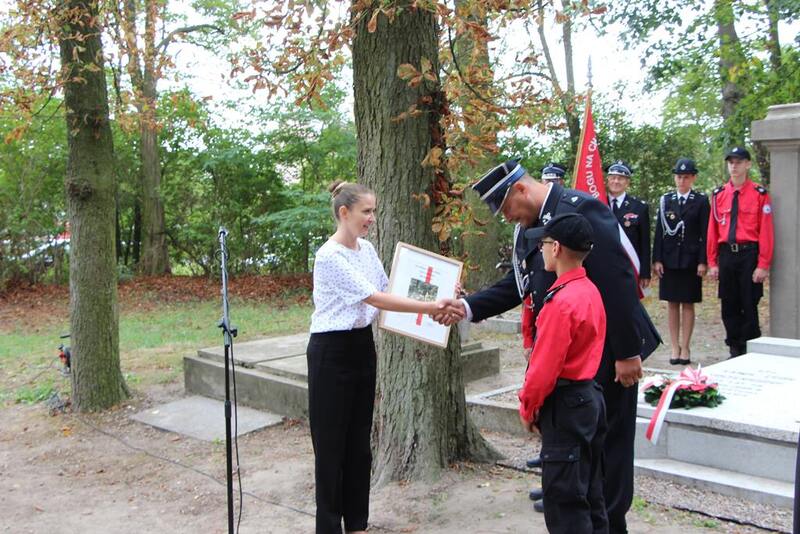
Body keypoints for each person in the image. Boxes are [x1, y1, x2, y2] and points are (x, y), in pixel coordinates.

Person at [436, 159, 660, 534]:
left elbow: (620, 278)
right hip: (569, 357)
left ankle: (612, 524)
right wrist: (468, 306)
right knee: (578, 465)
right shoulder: (530, 230)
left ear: (521, 190)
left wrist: (626, 351)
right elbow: (518, 284)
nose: (506, 218)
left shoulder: (581, 210)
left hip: (607, 354)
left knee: (610, 454)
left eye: (506, 208)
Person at [307, 180, 462, 534]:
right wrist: (431, 306)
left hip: (362, 347)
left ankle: (357, 526)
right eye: (366, 212)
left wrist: (443, 292)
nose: (372, 218)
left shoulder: (367, 250)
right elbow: (375, 299)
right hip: (330, 354)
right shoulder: (328, 256)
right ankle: (329, 528)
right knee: (331, 449)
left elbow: (392, 289)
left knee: (359, 444)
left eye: (374, 211)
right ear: (344, 213)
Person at [519, 213, 608, 534]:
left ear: (556, 248)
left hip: (567, 404)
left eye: (543, 244)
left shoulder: (560, 302)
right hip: (590, 399)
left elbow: (543, 369)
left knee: (565, 502)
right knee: (591, 493)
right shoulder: (590, 290)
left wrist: (528, 407)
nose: (540, 250)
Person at [706, 147, 774, 358]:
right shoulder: (719, 195)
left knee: (749, 303)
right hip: (727, 254)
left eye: (739, 162)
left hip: (749, 254)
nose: (734, 166)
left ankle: (750, 348)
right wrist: (713, 261)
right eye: (731, 162)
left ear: (748, 164)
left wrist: (763, 264)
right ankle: (735, 348)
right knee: (729, 303)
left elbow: (766, 230)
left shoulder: (759, 194)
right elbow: (713, 229)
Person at [653, 158, 710, 365]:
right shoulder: (666, 200)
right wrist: (657, 258)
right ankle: (674, 346)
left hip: (691, 260)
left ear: (693, 178)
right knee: (671, 303)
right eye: (679, 176)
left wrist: (703, 261)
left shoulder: (701, 201)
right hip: (669, 259)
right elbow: (660, 231)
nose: (682, 180)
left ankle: (685, 346)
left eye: (686, 177)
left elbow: (705, 233)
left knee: (688, 303)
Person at [606, 160, 652, 290]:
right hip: (603, 266)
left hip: (629, 267)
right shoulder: (598, 204)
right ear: (608, 179)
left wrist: (644, 272)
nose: (616, 181)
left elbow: (645, 243)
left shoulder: (639, 207)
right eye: (613, 177)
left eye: (620, 178)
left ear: (627, 182)